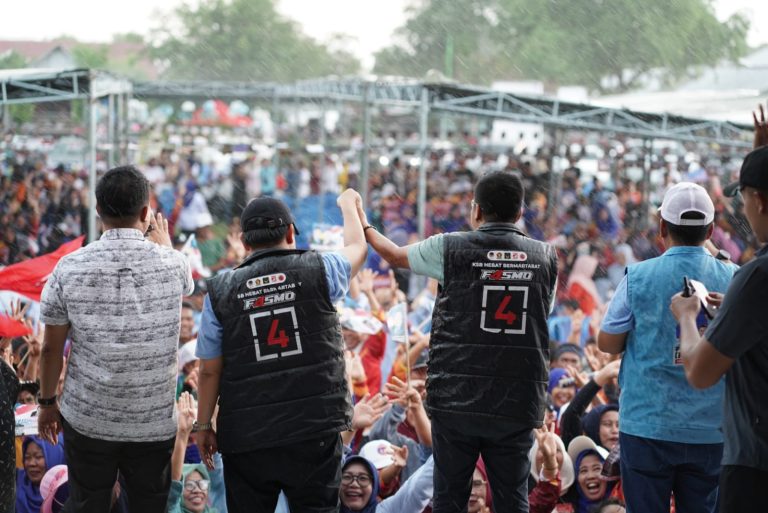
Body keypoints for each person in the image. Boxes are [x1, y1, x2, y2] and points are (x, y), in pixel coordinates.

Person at [361, 171, 558, 513]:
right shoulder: (545, 257)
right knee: (513, 499)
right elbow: (541, 312)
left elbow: (393, 254)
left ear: (476, 210)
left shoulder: (449, 247)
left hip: (456, 400)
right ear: (520, 212)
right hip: (516, 402)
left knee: (449, 498)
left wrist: (363, 222)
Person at [194, 190, 368, 512]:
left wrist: (203, 425)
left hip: (248, 437)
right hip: (314, 431)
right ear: (290, 233)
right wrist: (348, 206)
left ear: (244, 242)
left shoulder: (220, 292)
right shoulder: (320, 269)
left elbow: (208, 370)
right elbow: (358, 248)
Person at [37, 165, 194, 513]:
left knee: (88, 504)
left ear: (98, 211)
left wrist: (46, 403)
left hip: (88, 420)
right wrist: (166, 247)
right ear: (146, 212)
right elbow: (186, 281)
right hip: (152, 424)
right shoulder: (175, 264)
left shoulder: (68, 267)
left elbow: (50, 349)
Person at [598, 182, 737, 513]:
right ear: (711, 231)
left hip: (647, 425)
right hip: (711, 428)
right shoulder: (735, 278)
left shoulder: (639, 276)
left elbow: (608, 342)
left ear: (662, 227)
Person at [670, 144, 768, 512]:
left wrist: (687, 316)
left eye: (743, 198)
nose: (743, 210)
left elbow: (699, 372)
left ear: (759, 200)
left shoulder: (756, 278)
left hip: (755, 466)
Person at [16, 435, 67, 513]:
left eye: (38, 457)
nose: (31, 463)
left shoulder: (69, 494)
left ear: (56, 457)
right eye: (27, 457)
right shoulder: (15, 482)